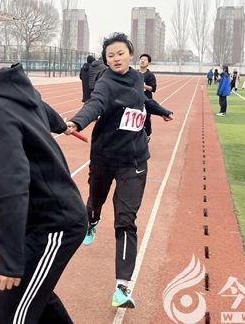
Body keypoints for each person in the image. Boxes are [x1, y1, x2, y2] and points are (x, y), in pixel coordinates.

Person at [0, 23, 87, 323]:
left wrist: (8, 261)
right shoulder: (16, 85)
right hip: (45, 216)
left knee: (4, 317)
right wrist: (62, 125)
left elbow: (11, 183)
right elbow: (39, 106)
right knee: (37, 301)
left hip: (54, 223)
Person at [65, 33, 173, 309]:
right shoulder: (106, 83)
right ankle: (92, 221)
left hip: (134, 160)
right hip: (105, 157)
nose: (115, 58)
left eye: (120, 53)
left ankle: (121, 287)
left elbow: (142, 101)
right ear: (106, 59)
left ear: (130, 54)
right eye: (110, 55)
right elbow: (95, 104)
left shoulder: (137, 78)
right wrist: (77, 122)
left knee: (126, 221)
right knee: (95, 200)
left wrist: (161, 110)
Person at [138, 53, 157, 139]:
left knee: (146, 118)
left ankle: (147, 135)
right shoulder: (135, 73)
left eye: (144, 60)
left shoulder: (150, 75)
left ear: (148, 63)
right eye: (141, 59)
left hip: (146, 99)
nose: (142, 61)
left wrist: (144, 86)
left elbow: (153, 88)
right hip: (135, 99)